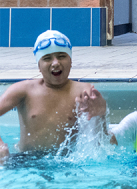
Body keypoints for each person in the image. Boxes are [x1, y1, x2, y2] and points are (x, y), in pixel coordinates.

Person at [0, 30, 107, 164]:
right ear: (39, 65)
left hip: (66, 163)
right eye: (47, 58)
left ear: (71, 61)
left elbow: (102, 144)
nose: (55, 63)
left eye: (61, 56)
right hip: (24, 161)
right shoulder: (23, 91)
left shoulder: (85, 91)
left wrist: (102, 115)